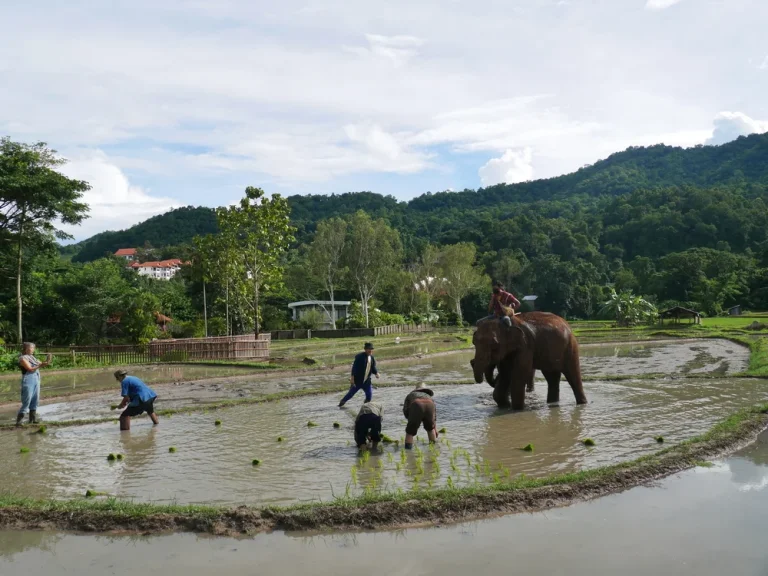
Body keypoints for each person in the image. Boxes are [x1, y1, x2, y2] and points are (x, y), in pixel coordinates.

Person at [16, 342, 52, 427]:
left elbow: (41, 363)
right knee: (27, 400)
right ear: (27, 348)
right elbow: (30, 369)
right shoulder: (22, 358)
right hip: (28, 379)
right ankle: (19, 421)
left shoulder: (32, 357)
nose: (33, 349)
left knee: (35, 399)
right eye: (32, 348)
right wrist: (41, 365)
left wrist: (48, 360)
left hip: (36, 378)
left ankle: (32, 419)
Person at [338, 342, 379, 408]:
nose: (370, 350)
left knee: (369, 395)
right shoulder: (359, 357)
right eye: (369, 349)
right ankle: (341, 403)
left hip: (366, 381)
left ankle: (365, 406)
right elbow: (354, 368)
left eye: (371, 349)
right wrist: (352, 378)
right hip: (358, 381)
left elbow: (373, 367)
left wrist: (376, 373)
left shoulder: (371, 358)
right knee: (350, 394)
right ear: (365, 349)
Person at [402, 383, 438, 449]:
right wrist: (434, 427)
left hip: (417, 404)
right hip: (430, 404)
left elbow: (405, 409)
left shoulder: (410, 395)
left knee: (410, 432)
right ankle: (433, 448)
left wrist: (411, 420)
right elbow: (434, 414)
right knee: (430, 429)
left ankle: (408, 451)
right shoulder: (429, 396)